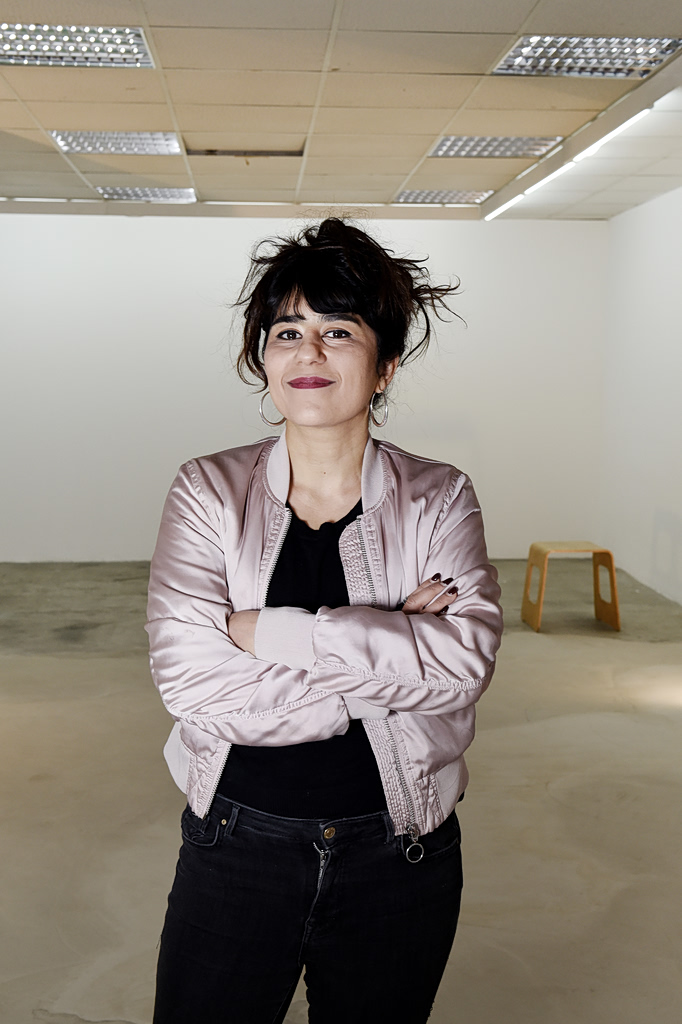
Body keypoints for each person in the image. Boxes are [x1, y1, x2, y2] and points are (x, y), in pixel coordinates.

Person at [145, 218, 503, 1023]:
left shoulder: (439, 496)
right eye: (287, 331)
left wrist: (272, 635)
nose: (308, 351)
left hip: (400, 851)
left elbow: (462, 669)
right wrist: (390, 639)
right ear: (263, 359)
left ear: (385, 366)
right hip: (236, 844)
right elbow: (192, 685)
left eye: (338, 330)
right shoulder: (207, 491)